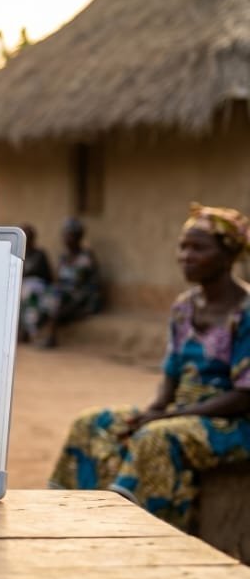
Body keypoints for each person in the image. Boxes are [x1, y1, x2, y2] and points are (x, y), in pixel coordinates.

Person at [49, 204, 250, 531]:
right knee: (94, 423)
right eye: (183, 246)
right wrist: (152, 411)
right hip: (182, 412)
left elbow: (244, 396)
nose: (185, 255)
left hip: (235, 422)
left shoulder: (246, 312)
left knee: (154, 438)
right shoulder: (184, 307)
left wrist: (167, 418)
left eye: (198, 248)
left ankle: (146, 532)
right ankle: (79, 521)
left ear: (229, 256)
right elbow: (171, 374)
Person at [30, 217, 104, 348]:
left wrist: (92, 306)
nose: (66, 239)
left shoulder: (86, 257)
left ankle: (51, 338)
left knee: (55, 297)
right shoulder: (63, 258)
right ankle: (29, 332)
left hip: (80, 297)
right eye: (64, 235)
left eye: (69, 235)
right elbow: (57, 279)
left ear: (78, 237)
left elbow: (94, 284)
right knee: (39, 294)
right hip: (64, 296)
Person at [17, 223, 54, 343]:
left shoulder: (40, 255)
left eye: (29, 237)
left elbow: (49, 277)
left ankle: (31, 332)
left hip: (39, 288)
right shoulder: (16, 255)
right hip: (21, 288)